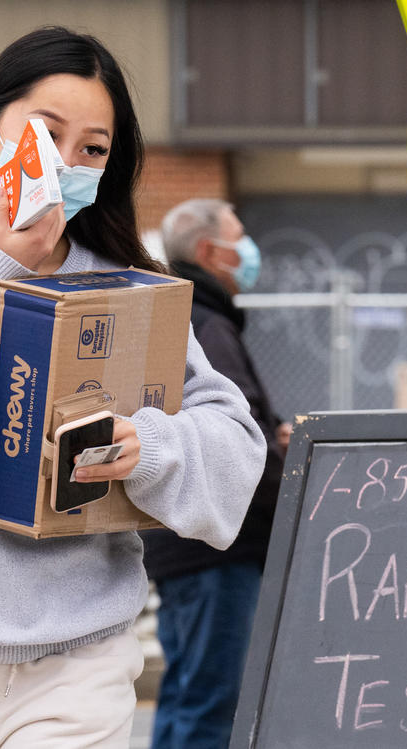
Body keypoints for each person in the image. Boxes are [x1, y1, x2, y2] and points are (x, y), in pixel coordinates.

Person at [0, 27, 266, 748]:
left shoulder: (127, 275)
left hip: (81, 651)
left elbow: (233, 443)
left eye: (93, 149)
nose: (66, 163)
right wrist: (0, 269)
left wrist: (149, 444)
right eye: (45, 131)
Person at [142, 198, 292, 749]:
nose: (249, 252)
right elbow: (240, 433)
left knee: (186, 694)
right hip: (217, 547)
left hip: (181, 541)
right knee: (212, 702)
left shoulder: (180, 316)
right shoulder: (207, 325)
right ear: (209, 252)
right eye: (240, 238)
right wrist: (292, 498)